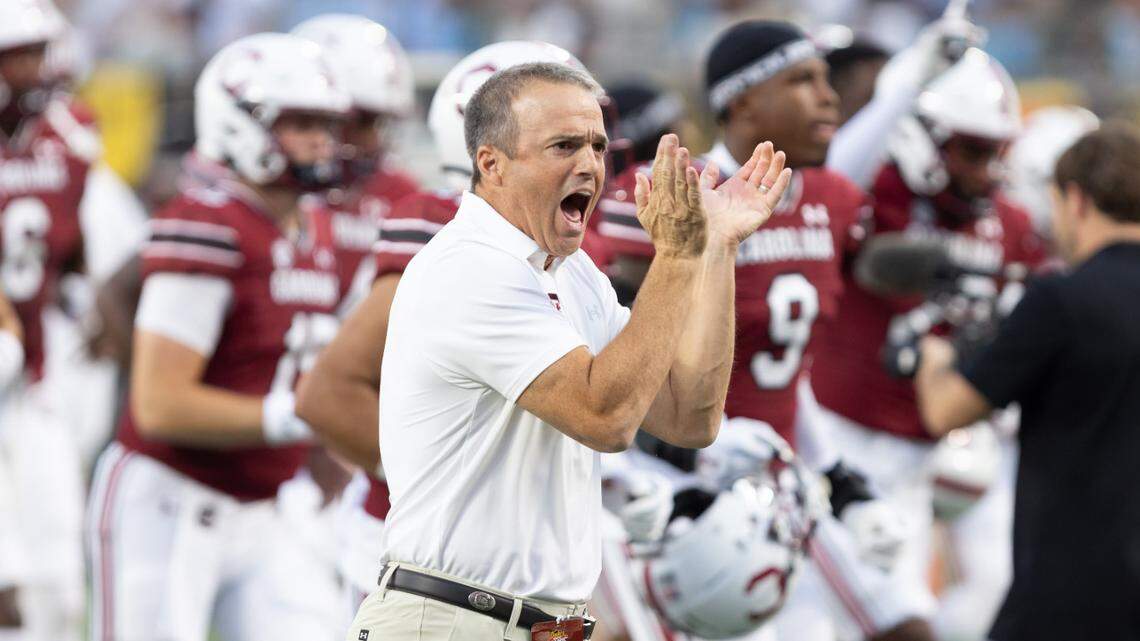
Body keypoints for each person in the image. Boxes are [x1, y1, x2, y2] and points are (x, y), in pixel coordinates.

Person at [347, 61, 791, 641]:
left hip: (534, 624)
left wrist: (716, 251)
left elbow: (690, 416)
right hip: (451, 621)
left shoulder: (575, 273)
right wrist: (678, 258)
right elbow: (604, 418)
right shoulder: (470, 267)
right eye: (563, 145)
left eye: (596, 145)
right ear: (491, 163)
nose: (589, 164)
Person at [596, 20, 934, 641]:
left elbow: (785, 367)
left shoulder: (829, 198)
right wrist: (680, 451)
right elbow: (609, 356)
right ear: (742, 101)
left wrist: (841, 479)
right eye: (803, 81)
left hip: (778, 480)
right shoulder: (677, 192)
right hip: (672, 489)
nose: (828, 97)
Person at [295, 38, 590, 614]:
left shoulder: (558, 234)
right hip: (431, 563)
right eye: (556, 133)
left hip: (527, 555)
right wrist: (442, 480)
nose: (587, 153)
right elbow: (328, 393)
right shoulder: (443, 225)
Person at [85, 33, 350, 641]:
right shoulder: (210, 224)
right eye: (301, 123)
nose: (322, 141)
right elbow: (160, 403)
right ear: (241, 124)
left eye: (327, 124)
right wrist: (297, 418)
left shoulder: (317, 225)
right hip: (172, 497)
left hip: (267, 504)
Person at [804, 47, 1047, 641]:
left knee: (981, 588)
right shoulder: (876, 195)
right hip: (848, 438)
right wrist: (906, 80)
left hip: (937, 446)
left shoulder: (1009, 224)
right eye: (974, 150)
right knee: (842, 620)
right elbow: (836, 174)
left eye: (998, 153)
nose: (988, 169)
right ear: (925, 138)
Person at [914, 123, 1140, 641]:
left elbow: (947, 411)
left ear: (1076, 200)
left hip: (1072, 592)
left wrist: (932, 354)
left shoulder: (1061, 301)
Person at [0, 1, 103, 637]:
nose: (35, 71)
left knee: (59, 582)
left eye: (39, 53)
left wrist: (76, 292)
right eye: (19, 55)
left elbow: (72, 248)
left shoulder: (68, 137)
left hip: (30, 371)